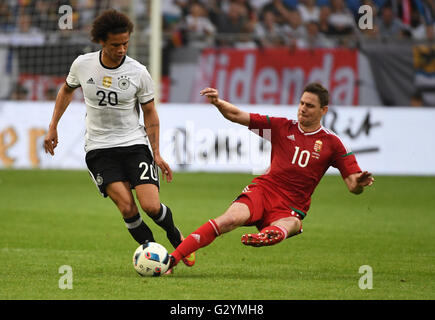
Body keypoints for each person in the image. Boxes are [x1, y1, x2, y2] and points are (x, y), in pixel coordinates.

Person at [43, 9, 195, 268]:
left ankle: (174, 235)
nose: (122, 49)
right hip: (99, 149)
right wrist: (53, 126)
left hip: (134, 144)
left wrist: (156, 153)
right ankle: (160, 260)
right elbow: (66, 90)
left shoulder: (138, 72)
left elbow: (150, 113)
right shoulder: (82, 64)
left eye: (125, 43)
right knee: (127, 209)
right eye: (116, 45)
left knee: (151, 206)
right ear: (102, 41)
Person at [168, 83, 374, 269]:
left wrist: (360, 183)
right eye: (302, 103)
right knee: (229, 219)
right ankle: (172, 259)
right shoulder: (282, 127)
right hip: (264, 191)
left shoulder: (333, 143)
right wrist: (218, 103)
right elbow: (238, 115)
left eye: (310, 105)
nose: (303, 108)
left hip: (291, 206)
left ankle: (270, 235)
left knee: (291, 224)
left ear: (324, 110)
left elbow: (352, 186)